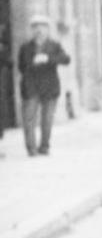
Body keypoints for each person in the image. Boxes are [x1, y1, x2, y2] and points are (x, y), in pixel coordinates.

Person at [17, 15, 71, 156]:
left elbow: (66, 59)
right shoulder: (25, 47)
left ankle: (44, 146)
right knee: (29, 119)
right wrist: (34, 63)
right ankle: (31, 149)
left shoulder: (54, 45)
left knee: (47, 120)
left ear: (47, 30)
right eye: (35, 28)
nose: (38, 31)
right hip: (31, 87)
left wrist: (48, 59)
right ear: (31, 30)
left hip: (49, 87)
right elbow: (21, 67)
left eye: (42, 27)